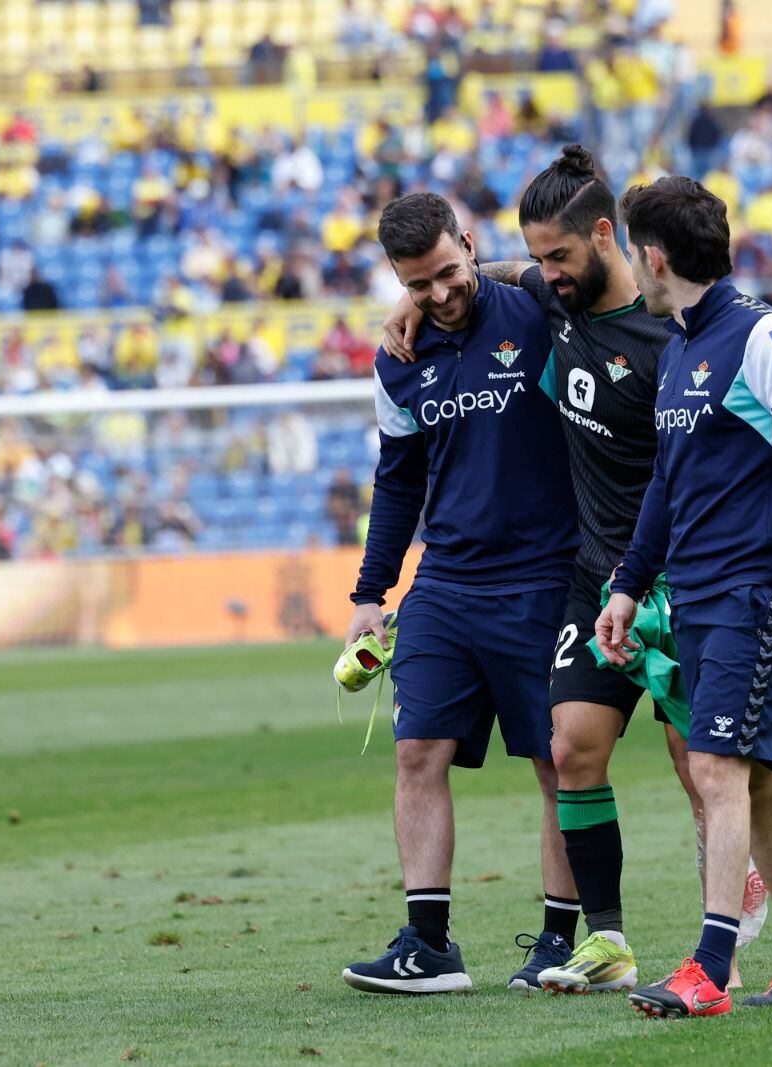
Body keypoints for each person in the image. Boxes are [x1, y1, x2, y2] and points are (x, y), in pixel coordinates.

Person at [381, 146, 766, 993]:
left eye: (559, 256)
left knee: (701, 765)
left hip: (677, 579)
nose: (547, 273)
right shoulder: (547, 299)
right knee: (571, 748)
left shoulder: (676, 339)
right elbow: (489, 275)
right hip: (596, 579)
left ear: (604, 236)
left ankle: (730, 938)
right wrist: (407, 309)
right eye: (539, 258)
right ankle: (609, 941)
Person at [598, 177, 772, 1017]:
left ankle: (709, 969)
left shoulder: (765, 335)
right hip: (701, 598)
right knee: (753, 787)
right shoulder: (678, 346)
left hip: (761, 593)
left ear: (652, 255)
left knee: (716, 766)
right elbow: (665, 489)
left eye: (627, 251)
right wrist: (627, 585)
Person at [339, 193, 581, 995]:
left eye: (449, 273)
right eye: (417, 286)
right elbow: (398, 479)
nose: (439, 296)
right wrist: (371, 591)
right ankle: (429, 942)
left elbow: (597, 282)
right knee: (416, 752)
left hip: (547, 575)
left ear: (470, 245)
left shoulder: (538, 311)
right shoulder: (396, 359)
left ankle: (558, 940)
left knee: (557, 763)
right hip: (445, 580)